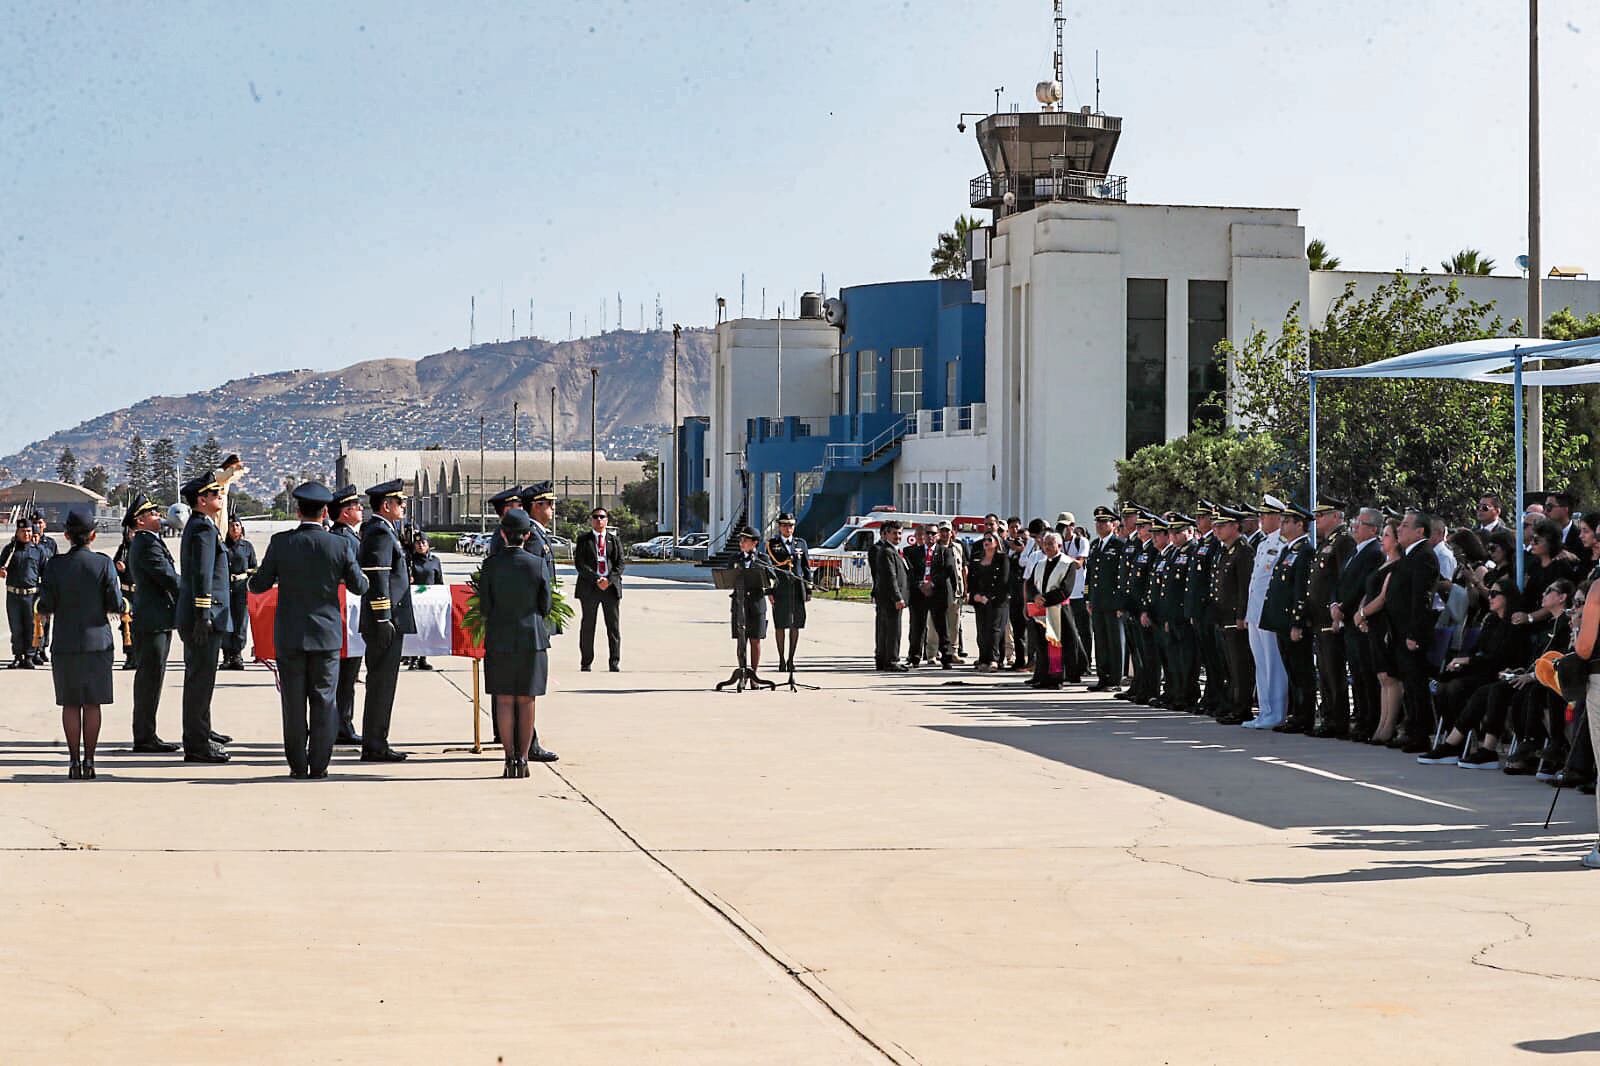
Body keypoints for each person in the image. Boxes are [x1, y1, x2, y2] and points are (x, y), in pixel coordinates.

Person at [249, 484, 370, 778]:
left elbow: (258, 585)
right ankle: (319, 764)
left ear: (297, 511)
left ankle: (297, 765)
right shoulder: (339, 545)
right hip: (326, 635)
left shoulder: (281, 543)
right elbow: (359, 586)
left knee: (293, 702)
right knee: (324, 700)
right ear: (326, 512)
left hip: (290, 635)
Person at [37, 508, 123, 780]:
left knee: (71, 704)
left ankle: (74, 762)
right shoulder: (104, 563)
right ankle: (90, 761)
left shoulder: (55, 564)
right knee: (92, 704)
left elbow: (46, 605)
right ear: (93, 536)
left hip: (65, 643)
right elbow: (115, 604)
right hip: (97, 642)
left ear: (66, 536)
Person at [479, 508, 558, 777]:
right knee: (526, 701)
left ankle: (507, 758)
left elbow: (485, 607)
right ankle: (522, 760)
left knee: (503, 700)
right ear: (527, 535)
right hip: (531, 639)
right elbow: (545, 605)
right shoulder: (537, 564)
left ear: (502, 534)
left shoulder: (490, 565)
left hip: (499, 638)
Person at [358, 479, 417, 762]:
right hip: (385, 619)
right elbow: (378, 578)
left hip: (388, 618)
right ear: (386, 505)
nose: (404, 506)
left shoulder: (385, 531)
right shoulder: (379, 533)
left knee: (384, 682)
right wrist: (382, 618)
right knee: (381, 683)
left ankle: (376, 741)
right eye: (400, 502)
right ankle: (375, 745)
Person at [177, 473, 234, 763]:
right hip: (205, 616)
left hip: (207, 614)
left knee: (203, 678)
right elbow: (202, 575)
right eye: (215, 495)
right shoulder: (202, 530)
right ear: (202, 500)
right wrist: (203, 614)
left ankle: (202, 731)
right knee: (200, 680)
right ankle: (197, 744)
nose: (220, 498)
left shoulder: (204, 527)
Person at [126, 495, 181, 752]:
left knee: (152, 676)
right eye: (153, 514)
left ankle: (147, 733)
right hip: (152, 619)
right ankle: (145, 736)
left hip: (156, 618)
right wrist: (193, 590)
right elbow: (166, 576)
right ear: (141, 520)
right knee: (150, 677)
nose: (158, 517)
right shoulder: (146, 544)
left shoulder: (149, 541)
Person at [1389, 510, 1442, 753]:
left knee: (1416, 683)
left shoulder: (1424, 556)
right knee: (1408, 684)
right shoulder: (1409, 555)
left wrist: (1414, 633)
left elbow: (1421, 598)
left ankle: (1420, 734)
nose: (1400, 529)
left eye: (1405, 525)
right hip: (1400, 630)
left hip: (1413, 633)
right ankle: (1412, 729)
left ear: (1420, 531)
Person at [1334, 507, 1386, 741]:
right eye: (1355, 522)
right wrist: (1334, 603)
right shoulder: (1354, 551)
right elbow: (1341, 581)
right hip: (1347, 619)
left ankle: (1369, 721)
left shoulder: (1374, 552)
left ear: (1374, 529)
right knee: (1356, 672)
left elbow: (1362, 587)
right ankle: (1361, 718)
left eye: (1360, 523)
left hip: (1360, 620)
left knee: (1366, 673)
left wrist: (1343, 608)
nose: (1355, 526)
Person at [1308, 499, 1356, 737]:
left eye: (1322, 515)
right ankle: (1328, 717)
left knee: (1334, 672)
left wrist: (1337, 610)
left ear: (1336, 516)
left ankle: (1338, 720)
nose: (1317, 519)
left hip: (1331, 616)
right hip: (1319, 617)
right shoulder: (1326, 541)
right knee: (1325, 672)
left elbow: (1341, 578)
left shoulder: (1344, 541)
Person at [1243, 497, 1288, 729]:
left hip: (1268, 613)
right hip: (1255, 612)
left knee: (1273, 663)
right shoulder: (1262, 544)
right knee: (1260, 663)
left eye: (1266, 515)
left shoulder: (1281, 543)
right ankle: (1264, 711)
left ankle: (1277, 712)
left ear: (1278, 517)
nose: (1261, 518)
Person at [1210, 506, 1255, 724]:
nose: (1216, 530)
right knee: (1231, 664)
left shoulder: (1244, 551)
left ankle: (1242, 708)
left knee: (1240, 665)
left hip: (1235, 618)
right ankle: (1233, 704)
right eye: (1216, 525)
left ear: (1235, 526)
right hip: (1224, 616)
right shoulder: (1226, 550)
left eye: (1222, 525)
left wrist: (1241, 614)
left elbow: (1245, 586)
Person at [328, 485, 365, 744]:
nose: (361, 509)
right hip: (346, 611)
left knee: (346, 674)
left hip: (346, 610)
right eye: (356, 506)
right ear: (344, 512)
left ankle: (341, 723)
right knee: (346, 674)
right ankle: (342, 725)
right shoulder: (345, 538)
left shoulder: (348, 536)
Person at [1023, 532, 1076, 689]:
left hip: (1058, 610)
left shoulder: (1068, 564)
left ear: (1059, 546)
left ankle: (1056, 678)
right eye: (1045, 544)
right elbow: (1031, 584)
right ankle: (1042, 676)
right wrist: (1035, 596)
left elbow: (1066, 589)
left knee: (1057, 645)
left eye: (1050, 544)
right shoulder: (1040, 563)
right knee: (1041, 644)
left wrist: (1045, 599)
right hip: (1040, 611)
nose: (1047, 547)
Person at [574, 507, 624, 672]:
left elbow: (620, 564)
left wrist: (608, 580)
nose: (599, 520)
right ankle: (586, 661)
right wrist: (596, 579)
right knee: (588, 625)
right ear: (591, 520)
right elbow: (580, 564)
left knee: (613, 626)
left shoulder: (614, 540)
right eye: (595, 517)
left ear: (607, 520)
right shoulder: (584, 540)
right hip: (590, 588)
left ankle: (614, 662)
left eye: (602, 517)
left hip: (610, 588)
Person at [1083, 506, 1124, 692]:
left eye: (1103, 521)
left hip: (1113, 602)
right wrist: (1087, 597)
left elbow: (1122, 576)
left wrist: (1120, 602)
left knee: (1115, 641)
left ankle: (1115, 679)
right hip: (1097, 601)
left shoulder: (1119, 545)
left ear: (1114, 524)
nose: (1099, 525)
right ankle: (1103, 677)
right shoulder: (1094, 545)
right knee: (1100, 641)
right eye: (1097, 521)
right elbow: (1090, 574)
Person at [904, 525, 956, 668]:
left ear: (938, 535)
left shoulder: (945, 552)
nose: (930, 536)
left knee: (941, 627)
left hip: (937, 593)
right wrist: (920, 584)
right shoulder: (913, 552)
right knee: (917, 627)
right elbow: (910, 571)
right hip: (919, 594)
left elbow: (948, 570)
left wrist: (932, 583)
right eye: (927, 533)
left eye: (933, 533)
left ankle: (946, 657)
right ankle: (914, 657)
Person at [767, 512, 811, 672]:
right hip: (780, 588)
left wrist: (808, 589)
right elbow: (770, 569)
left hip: (797, 588)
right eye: (785, 525)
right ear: (779, 526)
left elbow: (806, 567)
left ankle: (791, 659)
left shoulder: (801, 543)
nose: (788, 528)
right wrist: (770, 591)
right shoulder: (773, 544)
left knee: (796, 624)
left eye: (791, 525)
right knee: (780, 624)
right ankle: (781, 660)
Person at [0, 521, 45, 669]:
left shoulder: (38, 551)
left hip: (31, 596)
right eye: (23, 531)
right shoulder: (10, 550)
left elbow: (45, 574)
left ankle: (30, 657)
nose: (26, 534)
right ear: (17, 533)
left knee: (31, 627)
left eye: (29, 531)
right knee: (16, 627)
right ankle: (18, 656)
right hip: (13, 595)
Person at [728, 526, 773, 672]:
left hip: (756, 604)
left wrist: (769, 588)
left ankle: (754, 674)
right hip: (739, 603)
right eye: (740, 540)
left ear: (754, 543)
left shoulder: (763, 559)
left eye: (745, 540)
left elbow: (773, 579)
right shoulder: (735, 559)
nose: (741, 543)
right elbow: (728, 577)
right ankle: (742, 671)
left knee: (755, 640)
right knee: (741, 640)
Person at [966, 531, 1010, 671]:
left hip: (997, 601)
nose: (986, 542)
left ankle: (994, 659)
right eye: (985, 540)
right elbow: (972, 579)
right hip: (979, 600)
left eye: (990, 540)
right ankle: (983, 658)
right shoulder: (978, 558)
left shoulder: (1002, 559)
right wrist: (975, 595)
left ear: (996, 542)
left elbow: (1004, 581)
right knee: (982, 631)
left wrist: (990, 597)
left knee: (994, 630)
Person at [869, 521, 909, 671]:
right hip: (890, 598)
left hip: (888, 598)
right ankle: (891, 660)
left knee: (886, 629)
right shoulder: (887, 551)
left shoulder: (894, 551)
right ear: (886, 534)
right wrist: (898, 597)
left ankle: (883, 659)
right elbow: (890, 577)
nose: (897, 536)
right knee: (892, 630)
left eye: (900, 533)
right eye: (894, 533)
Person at [220, 517, 257, 670]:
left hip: (241, 587)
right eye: (231, 525)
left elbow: (253, 567)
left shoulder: (247, 547)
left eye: (237, 525)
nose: (234, 528)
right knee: (225, 620)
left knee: (241, 621)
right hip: (225, 587)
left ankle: (237, 654)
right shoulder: (222, 546)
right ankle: (227, 655)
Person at [407, 532, 444, 671]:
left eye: (423, 542)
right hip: (414, 600)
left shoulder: (435, 561)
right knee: (415, 630)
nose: (421, 545)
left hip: (430, 601)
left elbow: (439, 581)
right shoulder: (409, 560)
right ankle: (413, 658)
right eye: (417, 543)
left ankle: (423, 658)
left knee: (426, 630)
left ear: (428, 544)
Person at [112, 517, 136, 669]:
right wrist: (119, 567)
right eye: (129, 532)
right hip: (127, 594)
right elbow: (113, 569)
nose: (131, 535)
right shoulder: (123, 549)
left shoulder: (144, 548)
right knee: (126, 626)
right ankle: (130, 656)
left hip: (141, 593)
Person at [31, 514, 56, 663]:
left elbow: (56, 562)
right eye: (34, 522)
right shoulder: (27, 542)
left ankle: (43, 648)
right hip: (33, 587)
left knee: (46, 619)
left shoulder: (50, 543)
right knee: (35, 619)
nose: (37, 525)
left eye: (40, 522)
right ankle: (34, 649)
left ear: (44, 524)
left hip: (46, 587)